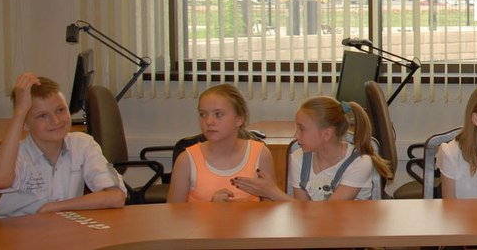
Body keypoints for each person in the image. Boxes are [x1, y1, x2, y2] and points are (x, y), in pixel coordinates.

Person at [0, 73, 126, 218]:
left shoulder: (82, 144)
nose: (56, 121)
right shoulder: (16, 154)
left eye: (60, 110)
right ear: (25, 124)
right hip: (15, 228)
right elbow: (0, 181)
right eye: (42, 115)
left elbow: (116, 196)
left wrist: (55, 207)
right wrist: (19, 112)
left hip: (59, 225)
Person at [231, 97, 390, 201]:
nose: (296, 135)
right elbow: (303, 211)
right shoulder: (298, 157)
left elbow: (330, 212)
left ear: (327, 134)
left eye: (302, 129)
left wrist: (273, 193)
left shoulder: (360, 163)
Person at [167, 84, 276, 202]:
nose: (209, 122)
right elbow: (174, 212)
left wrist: (248, 208)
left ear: (239, 119)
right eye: (203, 114)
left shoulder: (261, 154)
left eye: (218, 114)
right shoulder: (186, 160)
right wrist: (211, 208)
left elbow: (270, 208)